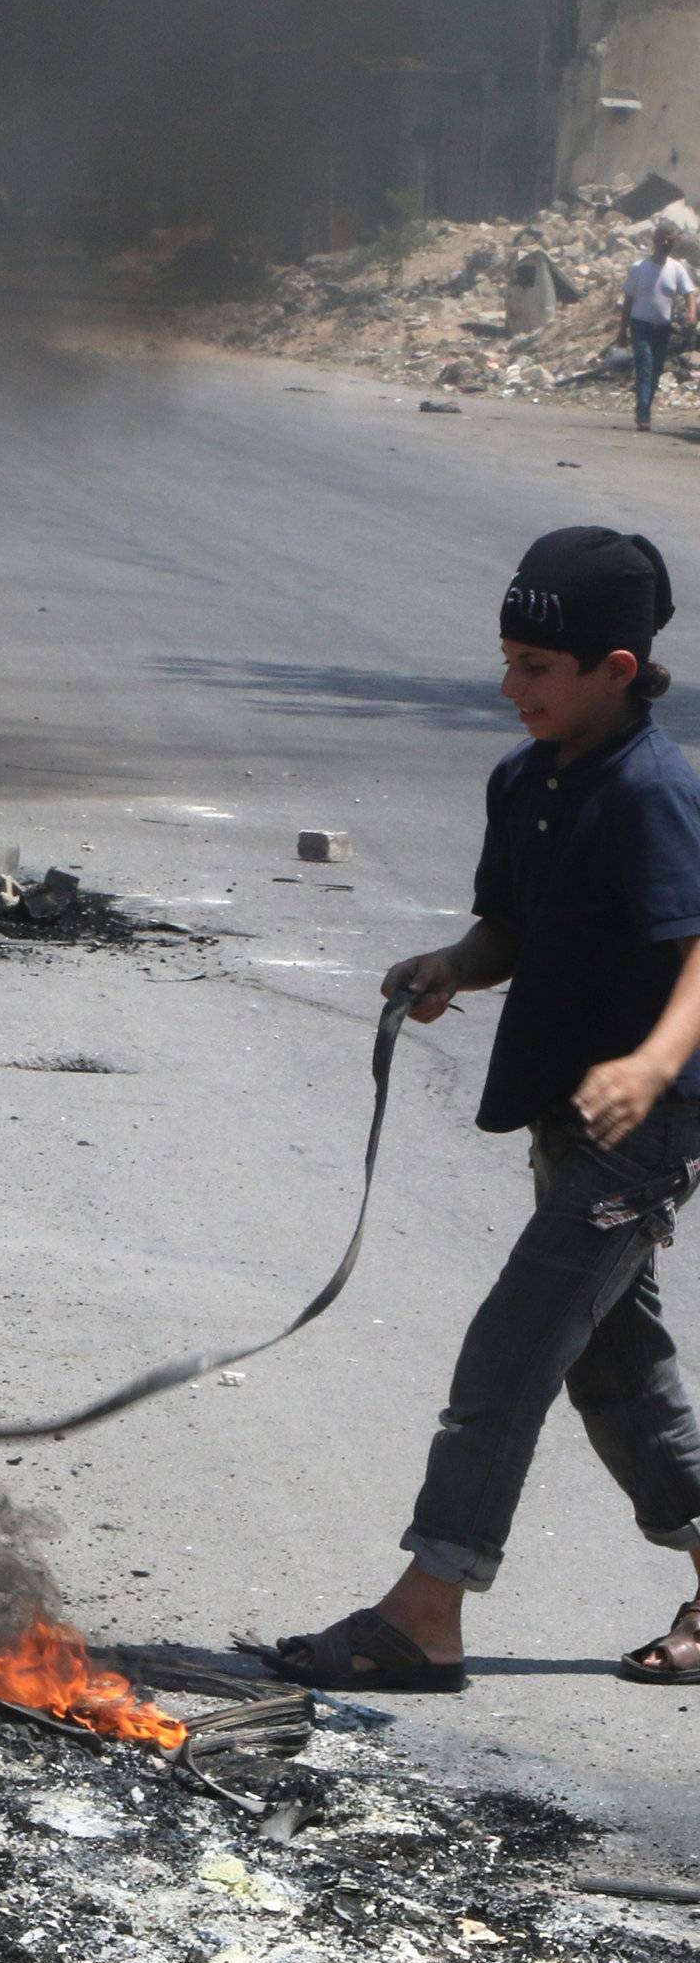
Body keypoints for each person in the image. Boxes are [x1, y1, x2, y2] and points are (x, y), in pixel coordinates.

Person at [276, 526, 700, 1693]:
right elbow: (513, 922)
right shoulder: (526, 779)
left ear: (617, 669)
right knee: (617, 1366)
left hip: (643, 1130)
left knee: (508, 1352)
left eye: (539, 670)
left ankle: (426, 1613)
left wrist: (654, 1066)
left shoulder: (655, 793)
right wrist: (452, 964)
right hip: (571, 1119)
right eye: (507, 661)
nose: (513, 690)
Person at [618, 219, 695, 432]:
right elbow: (627, 302)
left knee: (656, 370)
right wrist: (622, 331)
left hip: (662, 329)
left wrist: (691, 314)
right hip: (640, 326)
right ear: (655, 241)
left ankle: (644, 407)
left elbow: (690, 294)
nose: (666, 244)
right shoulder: (639, 268)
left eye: (670, 241)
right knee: (645, 367)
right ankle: (643, 413)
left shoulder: (676, 269)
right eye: (663, 240)